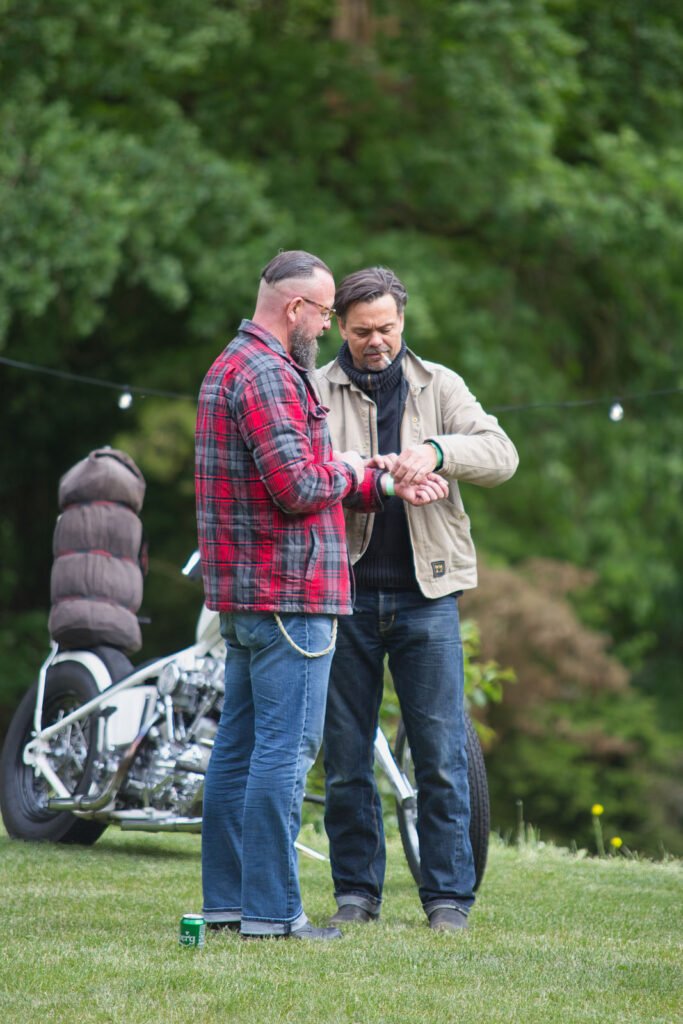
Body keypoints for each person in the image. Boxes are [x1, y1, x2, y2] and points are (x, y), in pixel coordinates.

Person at [195, 251, 448, 941]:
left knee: (237, 751)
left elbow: (296, 473)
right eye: (326, 312)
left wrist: (373, 478)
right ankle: (274, 914)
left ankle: (227, 905)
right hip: (291, 596)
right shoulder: (271, 374)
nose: (329, 325)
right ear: (296, 309)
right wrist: (355, 471)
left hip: (245, 598)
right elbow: (299, 486)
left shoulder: (229, 365)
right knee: (284, 753)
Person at [312, 266, 519, 932]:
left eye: (387, 328)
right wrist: (362, 474)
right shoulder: (314, 389)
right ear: (340, 328)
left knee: (441, 754)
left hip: (427, 597)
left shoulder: (441, 385)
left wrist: (434, 451)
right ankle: (356, 895)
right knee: (346, 758)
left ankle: (447, 900)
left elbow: (501, 455)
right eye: (362, 331)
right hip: (342, 595)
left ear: (403, 321)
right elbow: (303, 477)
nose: (376, 341)